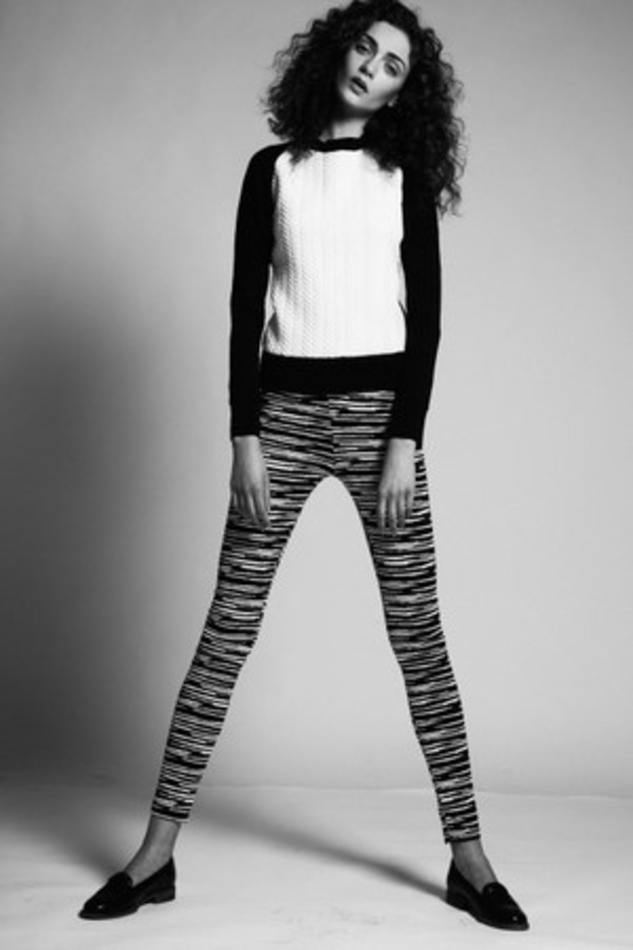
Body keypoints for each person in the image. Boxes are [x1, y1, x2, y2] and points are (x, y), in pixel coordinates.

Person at [79, 0, 529, 931]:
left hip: (379, 426)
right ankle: (154, 856)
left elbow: (426, 317)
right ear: (335, 50)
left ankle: (469, 858)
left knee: (419, 639)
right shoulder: (271, 170)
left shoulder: (402, 176)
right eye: (365, 47)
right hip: (278, 420)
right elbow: (245, 306)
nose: (372, 67)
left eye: (394, 64)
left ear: (405, 93)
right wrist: (243, 433)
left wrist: (404, 438)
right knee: (225, 633)